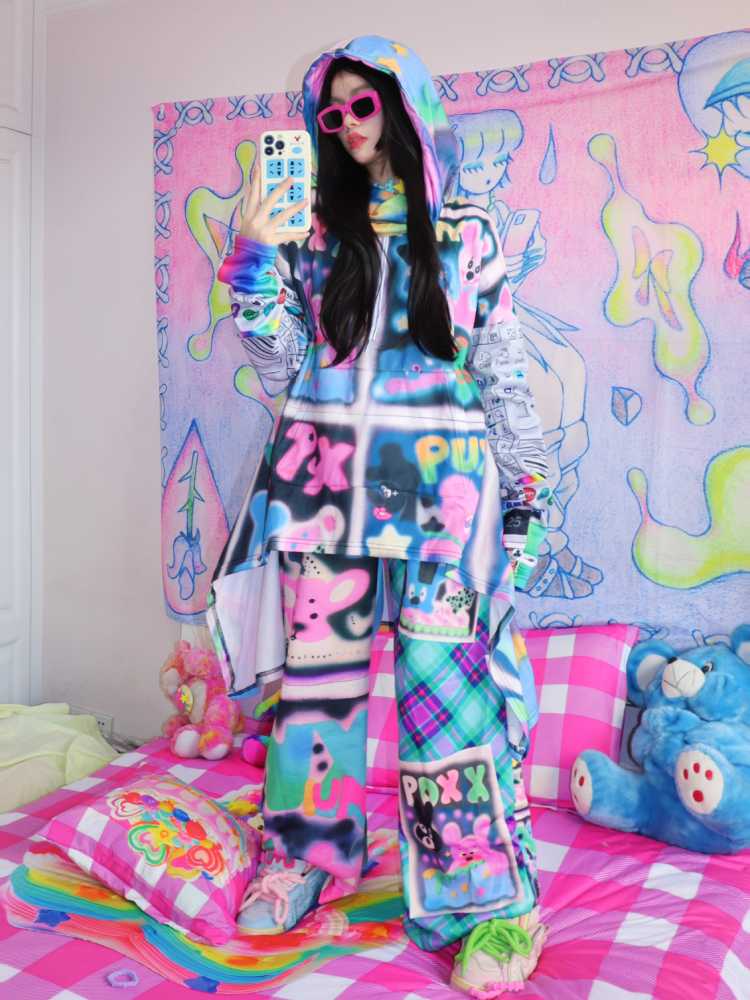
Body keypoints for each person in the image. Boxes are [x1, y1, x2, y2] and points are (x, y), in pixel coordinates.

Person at [209, 34, 552, 997]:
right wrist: (254, 252)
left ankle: (482, 903)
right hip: (325, 492)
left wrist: (526, 501)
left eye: (365, 105)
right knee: (317, 692)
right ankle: (307, 857)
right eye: (334, 113)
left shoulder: (469, 231)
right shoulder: (315, 235)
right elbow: (285, 371)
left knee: (448, 694)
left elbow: (502, 375)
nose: (349, 126)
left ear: (407, 109)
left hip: (446, 503)